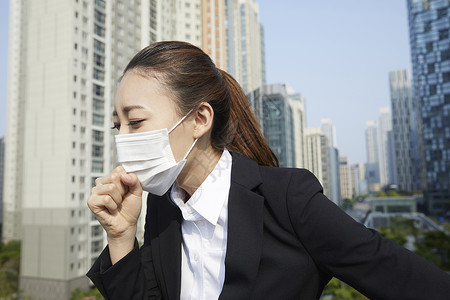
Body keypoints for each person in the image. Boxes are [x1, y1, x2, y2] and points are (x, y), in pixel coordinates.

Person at [87, 41, 450, 300]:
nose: (125, 137)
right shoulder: (162, 209)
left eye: (135, 121)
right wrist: (121, 236)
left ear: (199, 119)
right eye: (119, 125)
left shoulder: (288, 198)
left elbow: (407, 281)